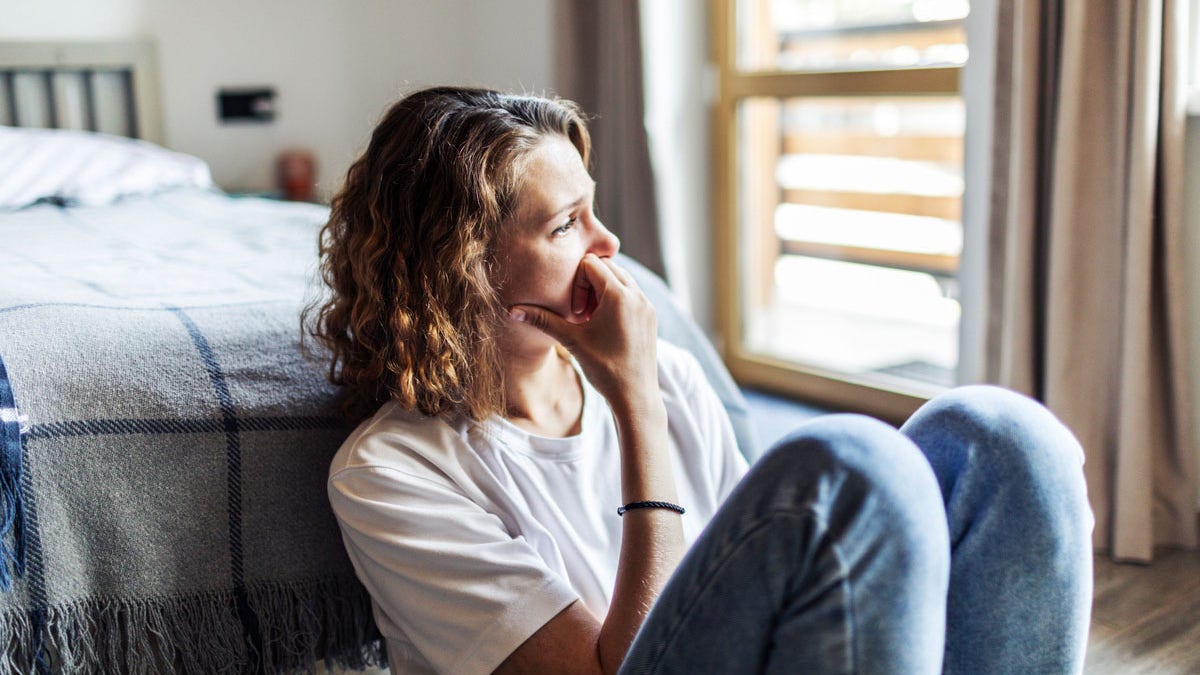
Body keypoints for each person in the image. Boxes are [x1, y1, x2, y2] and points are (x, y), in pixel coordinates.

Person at [306, 86, 1094, 675]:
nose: (608, 243)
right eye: (563, 224)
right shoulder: (392, 472)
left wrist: (647, 386)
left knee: (999, 437)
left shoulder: (671, 372)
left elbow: (770, 577)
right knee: (853, 464)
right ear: (465, 272)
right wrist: (636, 405)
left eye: (595, 210)